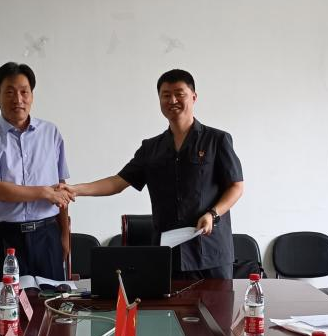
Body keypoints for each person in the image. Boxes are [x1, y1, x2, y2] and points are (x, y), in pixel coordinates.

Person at [68, 69, 244, 280]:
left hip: (210, 250)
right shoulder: (151, 148)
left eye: (179, 94)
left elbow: (236, 186)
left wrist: (213, 214)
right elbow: (117, 182)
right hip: (169, 253)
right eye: (166, 95)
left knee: (217, 303)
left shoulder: (217, 140)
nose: (173, 100)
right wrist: (75, 190)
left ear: (194, 97)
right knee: (169, 303)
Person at [0, 62, 72, 288]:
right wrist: (44, 192)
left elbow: (61, 188)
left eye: (24, 92)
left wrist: (64, 235)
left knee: (52, 303)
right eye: (10, 92)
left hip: (47, 236)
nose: (18, 99)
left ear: (32, 95)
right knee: (2, 304)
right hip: (4, 239)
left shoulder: (50, 133)